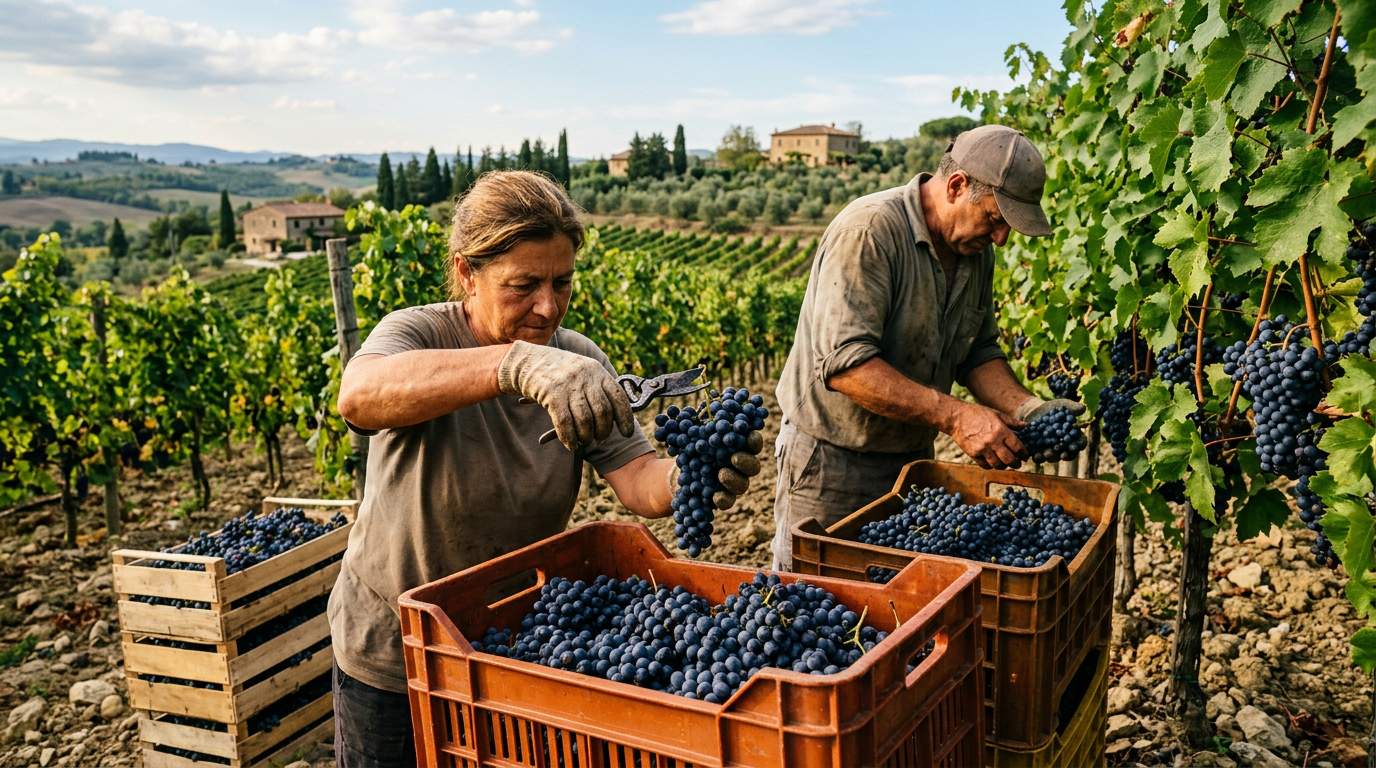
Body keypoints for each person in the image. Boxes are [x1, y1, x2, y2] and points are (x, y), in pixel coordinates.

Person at [327, 171, 757, 767]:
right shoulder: (419, 332)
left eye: (562, 282)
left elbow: (637, 477)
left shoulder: (578, 360)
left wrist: (692, 479)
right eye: (523, 285)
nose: (548, 305)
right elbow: (360, 395)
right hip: (396, 653)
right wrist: (513, 365)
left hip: (513, 646)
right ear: (466, 274)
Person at [771, 125, 1084, 571]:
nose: (1001, 239)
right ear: (957, 186)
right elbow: (845, 366)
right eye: (996, 220)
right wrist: (957, 417)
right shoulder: (869, 231)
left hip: (912, 466)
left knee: (898, 617)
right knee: (816, 608)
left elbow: (977, 352)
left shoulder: (975, 253)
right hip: (831, 465)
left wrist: (1029, 408)